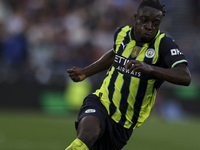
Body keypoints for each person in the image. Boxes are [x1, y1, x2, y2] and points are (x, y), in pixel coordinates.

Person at [66, 0, 191, 149]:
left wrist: (150, 68)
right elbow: (114, 55)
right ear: (135, 17)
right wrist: (86, 72)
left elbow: (185, 76)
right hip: (102, 101)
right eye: (145, 20)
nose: (149, 27)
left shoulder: (164, 44)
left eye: (155, 23)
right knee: (87, 136)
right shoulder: (122, 33)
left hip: (125, 122)